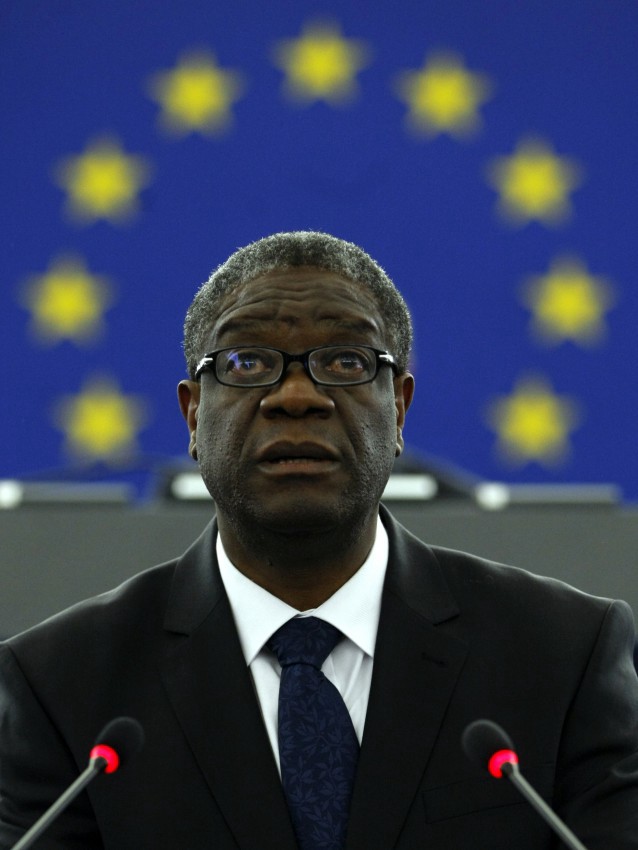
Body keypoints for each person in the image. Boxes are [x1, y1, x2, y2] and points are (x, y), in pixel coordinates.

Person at [1, 231, 637, 850]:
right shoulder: (61, 686)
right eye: (246, 362)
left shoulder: (564, 656)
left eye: (346, 362)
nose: (297, 396)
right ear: (194, 414)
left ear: (400, 409)